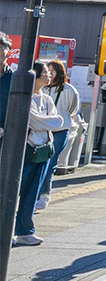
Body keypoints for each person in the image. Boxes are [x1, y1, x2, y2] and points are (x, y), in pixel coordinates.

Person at [13, 62, 72, 248]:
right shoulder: (25, 97)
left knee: (32, 192)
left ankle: (25, 230)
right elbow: (36, 122)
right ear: (34, 76)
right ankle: (11, 229)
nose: (49, 76)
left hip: (44, 148)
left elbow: (59, 120)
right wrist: (48, 122)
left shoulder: (46, 98)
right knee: (16, 190)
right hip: (28, 147)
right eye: (45, 73)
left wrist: (46, 122)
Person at [35, 61, 80, 207]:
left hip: (61, 131)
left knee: (50, 162)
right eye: (47, 71)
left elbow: (73, 110)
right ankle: (35, 194)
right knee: (39, 162)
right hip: (43, 131)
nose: (50, 74)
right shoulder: (42, 90)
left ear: (59, 72)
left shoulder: (69, 90)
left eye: (52, 71)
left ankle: (44, 195)